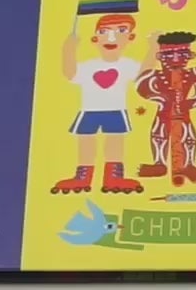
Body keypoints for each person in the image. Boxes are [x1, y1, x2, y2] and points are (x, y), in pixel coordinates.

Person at [54, 13, 144, 193]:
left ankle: (114, 177)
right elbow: (70, 74)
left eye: (121, 30)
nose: (111, 38)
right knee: (86, 140)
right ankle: (82, 177)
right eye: (104, 32)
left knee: (115, 140)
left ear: (131, 37)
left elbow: (143, 74)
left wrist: (153, 49)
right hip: (90, 110)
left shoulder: (127, 64)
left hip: (116, 109)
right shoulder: (89, 66)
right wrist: (68, 50)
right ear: (95, 39)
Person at [134, 30, 196, 182]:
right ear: (160, 57)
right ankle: (159, 164)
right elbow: (142, 88)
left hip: (183, 115)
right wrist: (163, 99)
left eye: (182, 54)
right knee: (159, 135)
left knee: (188, 137)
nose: (176, 59)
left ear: (190, 55)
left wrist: (188, 103)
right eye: (170, 55)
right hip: (163, 114)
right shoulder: (153, 75)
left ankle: (189, 164)